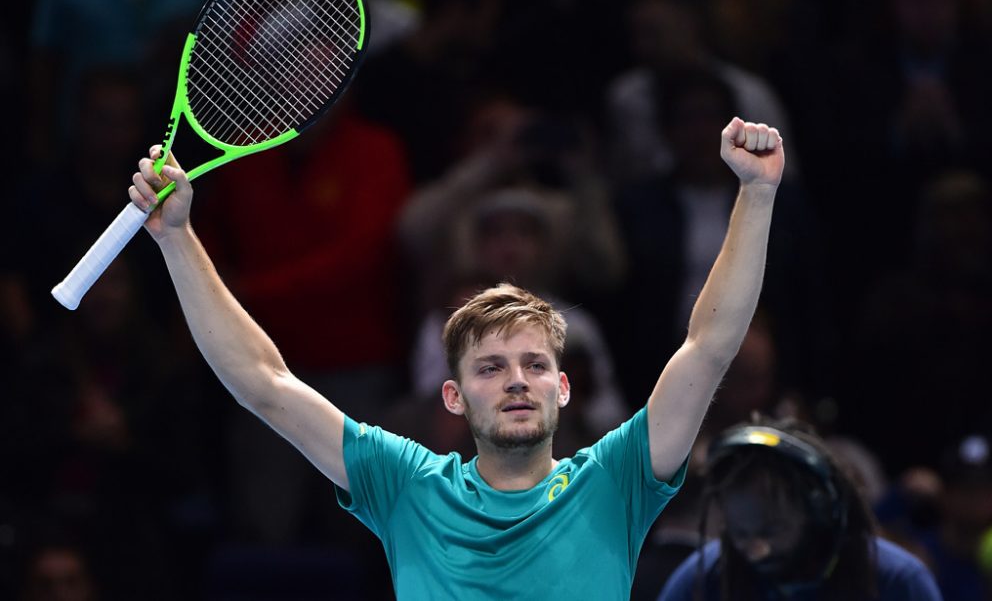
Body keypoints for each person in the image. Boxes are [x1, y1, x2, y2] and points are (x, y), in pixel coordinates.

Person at [125, 117, 783, 598]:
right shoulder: (407, 483)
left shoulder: (614, 480)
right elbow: (263, 382)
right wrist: (179, 238)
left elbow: (707, 346)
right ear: (454, 396)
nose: (516, 380)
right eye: (490, 368)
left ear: (563, 388)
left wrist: (755, 195)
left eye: (532, 365)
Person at [658, 418, 944, 601]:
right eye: (740, 533)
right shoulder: (702, 580)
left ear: (820, 512)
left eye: (772, 529)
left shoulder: (899, 582)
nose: (756, 549)